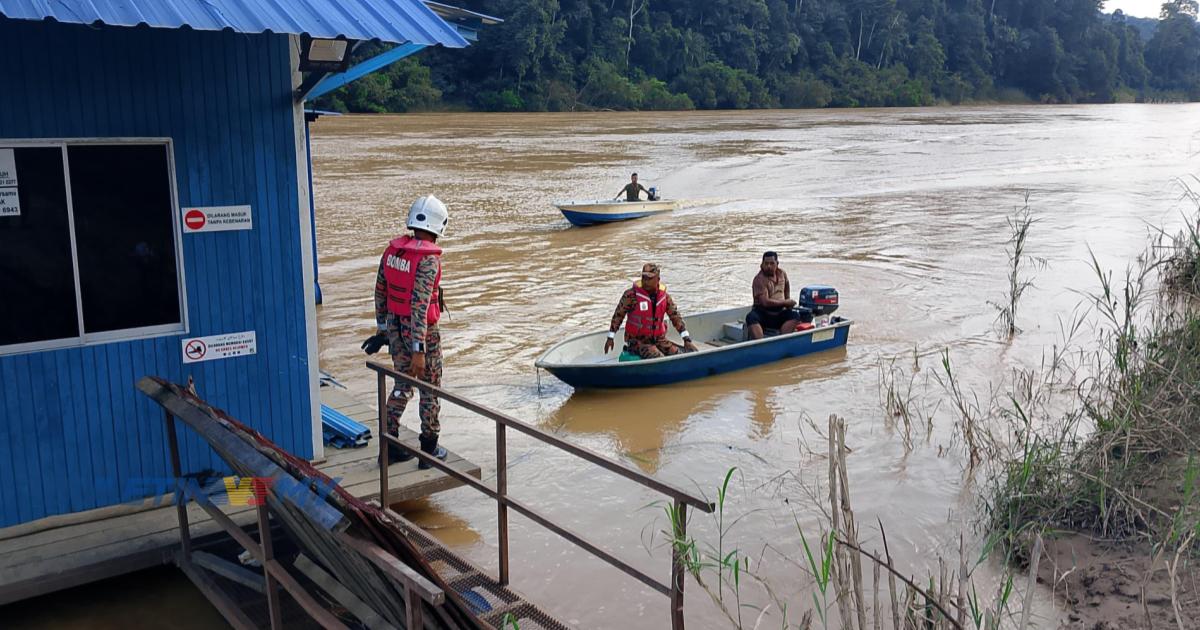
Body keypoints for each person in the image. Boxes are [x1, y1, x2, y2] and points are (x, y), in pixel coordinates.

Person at [361, 195, 450, 468]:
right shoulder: (427, 260)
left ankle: (388, 448)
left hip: (396, 329)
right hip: (422, 336)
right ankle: (428, 450)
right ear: (439, 225)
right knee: (429, 389)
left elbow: (380, 292)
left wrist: (382, 330)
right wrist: (419, 351)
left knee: (401, 386)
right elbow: (420, 306)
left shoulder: (393, 252)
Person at [604, 263, 699, 358]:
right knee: (660, 358)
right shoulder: (631, 295)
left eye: (649, 278)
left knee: (684, 354)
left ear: (658, 279)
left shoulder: (664, 297)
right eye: (644, 277)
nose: (646, 281)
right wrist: (610, 337)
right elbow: (618, 315)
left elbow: (675, 317)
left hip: (659, 340)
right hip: (638, 341)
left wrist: (686, 339)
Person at [747, 251, 805, 339]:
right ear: (762, 264)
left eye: (771, 263)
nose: (768, 266)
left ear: (777, 264)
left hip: (780, 313)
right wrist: (785, 302)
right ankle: (759, 344)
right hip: (763, 313)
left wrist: (788, 302)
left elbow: (787, 287)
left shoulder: (782, 274)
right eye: (766, 263)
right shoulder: (759, 280)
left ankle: (782, 340)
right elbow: (765, 302)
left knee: (795, 316)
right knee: (751, 317)